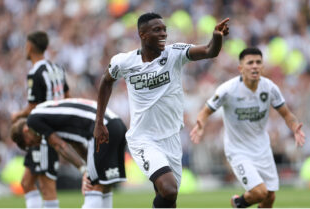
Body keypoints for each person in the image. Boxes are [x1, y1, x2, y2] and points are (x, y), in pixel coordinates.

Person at [94, 12, 229, 208]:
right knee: (169, 188)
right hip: (143, 138)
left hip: (171, 139)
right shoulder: (124, 62)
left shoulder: (174, 54)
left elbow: (210, 51)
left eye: (164, 29)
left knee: (169, 198)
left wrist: (216, 37)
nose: (163, 33)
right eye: (157, 30)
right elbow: (106, 81)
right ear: (142, 34)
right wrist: (99, 121)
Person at [190, 47, 305, 208]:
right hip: (238, 150)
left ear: (262, 67)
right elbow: (206, 110)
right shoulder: (228, 89)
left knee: (269, 198)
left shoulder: (269, 88)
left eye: (258, 62)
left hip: (262, 148)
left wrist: (294, 127)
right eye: (250, 62)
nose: (255, 66)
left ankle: (240, 203)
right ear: (240, 68)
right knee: (259, 192)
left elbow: (286, 114)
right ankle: (238, 202)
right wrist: (200, 125)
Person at [11, 98, 127, 208]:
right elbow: (77, 144)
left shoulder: (33, 120)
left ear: (26, 130)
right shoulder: (50, 115)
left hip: (100, 129)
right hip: (117, 125)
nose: (36, 144)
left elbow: (60, 146)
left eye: (30, 143)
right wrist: (88, 166)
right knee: (104, 185)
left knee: (91, 186)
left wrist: (84, 170)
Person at [11, 31, 70, 208]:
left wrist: (18, 115)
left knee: (47, 186)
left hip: (43, 134)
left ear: (29, 46)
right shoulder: (57, 68)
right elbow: (67, 96)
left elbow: (32, 107)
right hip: (52, 130)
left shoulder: (35, 73)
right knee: (27, 183)